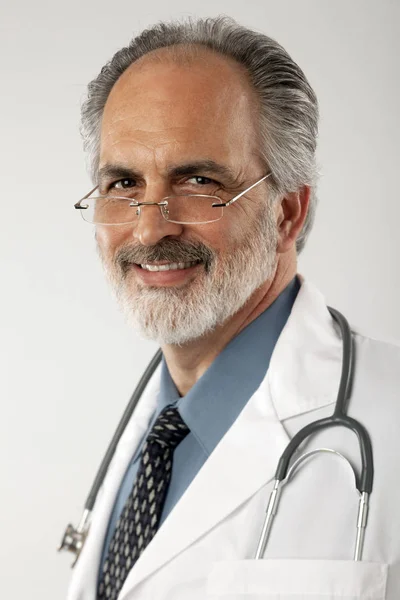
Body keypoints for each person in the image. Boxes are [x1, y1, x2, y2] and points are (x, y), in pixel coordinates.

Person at [66, 16, 400, 600]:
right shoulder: (151, 432)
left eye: (197, 180)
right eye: (123, 183)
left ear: (287, 213)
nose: (149, 228)